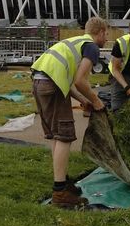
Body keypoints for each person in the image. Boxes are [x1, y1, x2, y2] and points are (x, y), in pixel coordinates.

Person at [31, 17, 108, 207]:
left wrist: (83, 101)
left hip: (39, 82)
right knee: (65, 136)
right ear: (100, 32)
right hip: (51, 85)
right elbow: (81, 81)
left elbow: (70, 81)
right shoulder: (91, 47)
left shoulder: (74, 42)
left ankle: (63, 182)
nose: (106, 38)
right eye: (106, 34)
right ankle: (60, 194)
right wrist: (97, 102)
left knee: (56, 136)